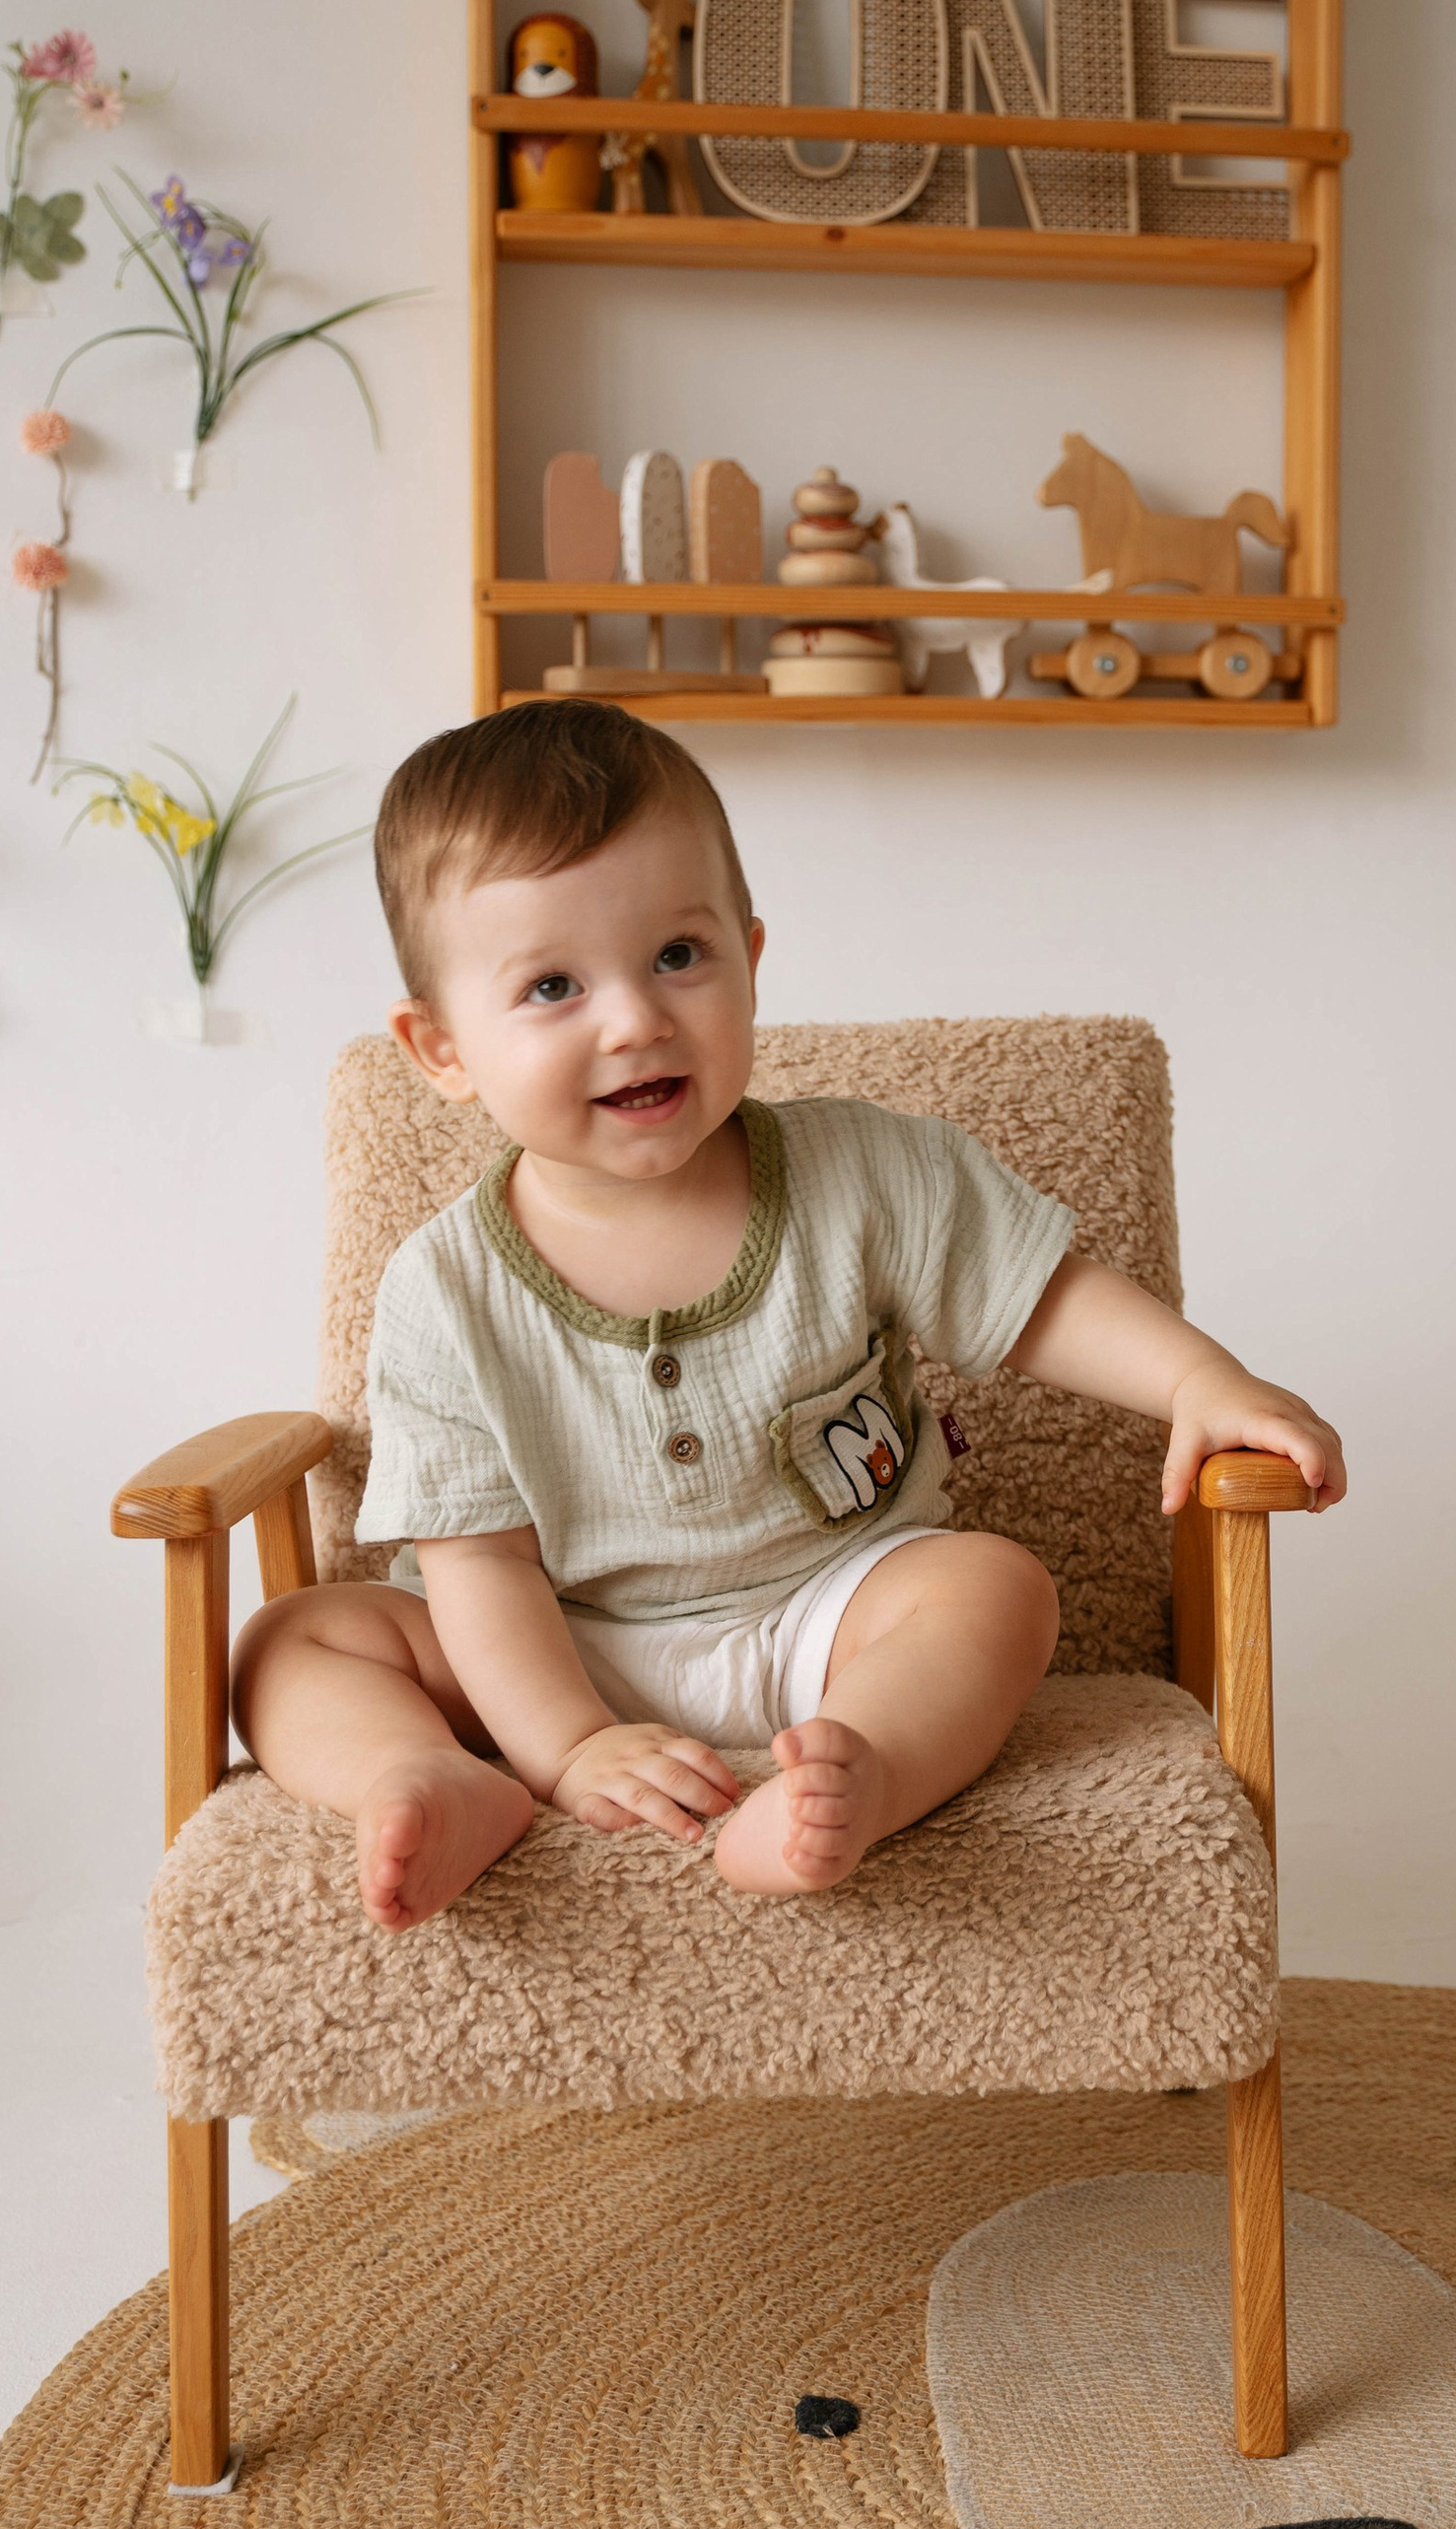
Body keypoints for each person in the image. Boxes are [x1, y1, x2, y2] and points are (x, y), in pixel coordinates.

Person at [233, 702, 1345, 1929]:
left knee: (994, 1589)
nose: (634, 1019)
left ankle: (856, 1770)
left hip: (836, 1610)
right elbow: (480, 1567)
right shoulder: (443, 1290)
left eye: (677, 955)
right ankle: (427, 1775)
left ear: (750, 957)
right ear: (441, 1048)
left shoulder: (864, 1172)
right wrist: (565, 1747)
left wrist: (1197, 1379)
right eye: (552, 984)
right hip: (567, 1641)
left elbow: (1038, 1295)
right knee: (295, 1640)